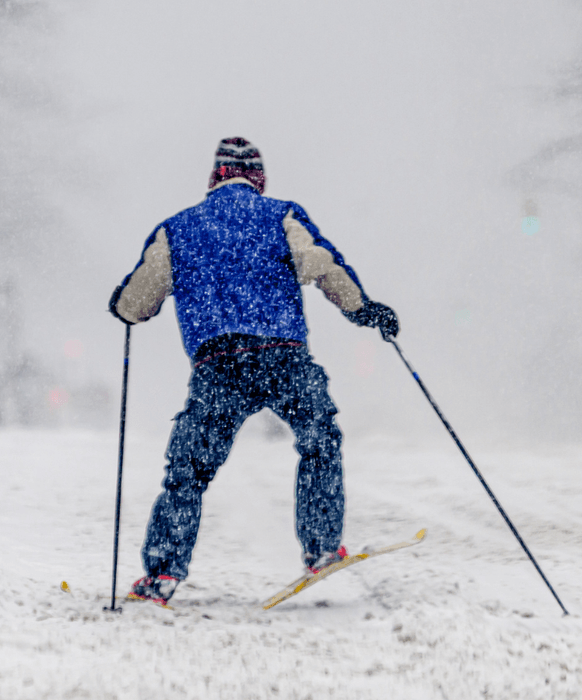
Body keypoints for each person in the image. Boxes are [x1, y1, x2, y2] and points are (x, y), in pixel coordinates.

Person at [108, 137, 399, 605]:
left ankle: (162, 572)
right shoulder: (282, 214)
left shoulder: (177, 229)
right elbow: (317, 264)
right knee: (318, 436)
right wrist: (364, 310)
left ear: (214, 178)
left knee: (189, 469)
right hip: (283, 355)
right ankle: (322, 546)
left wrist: (123, 305)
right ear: (259, 179)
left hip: (218, 363)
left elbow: (136, 304)